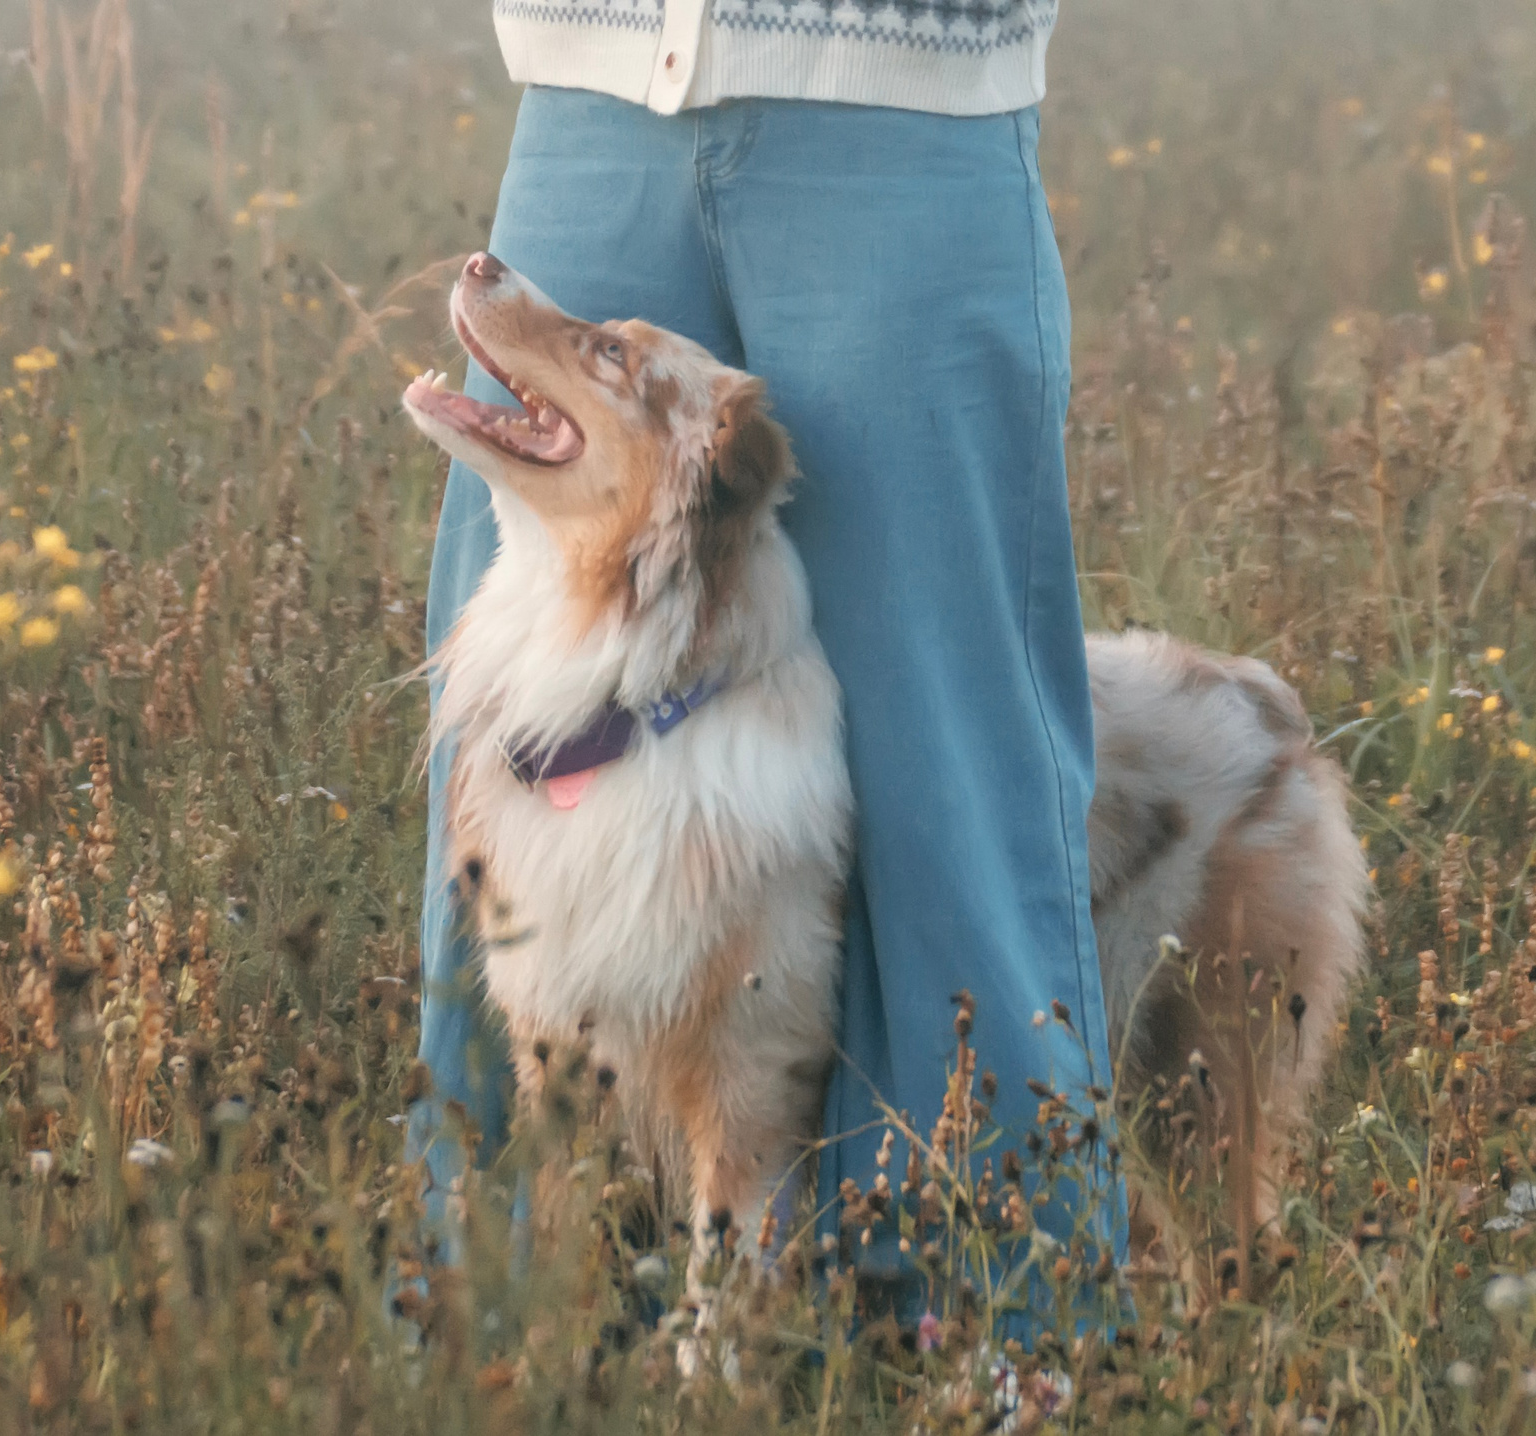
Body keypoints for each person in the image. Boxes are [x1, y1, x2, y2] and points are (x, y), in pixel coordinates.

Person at [405, 0, 1129, 1347]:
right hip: (592, 83)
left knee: (948, 768)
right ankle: (495, 1318)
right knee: (514, 751)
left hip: (905, 101)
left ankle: (1006, 1326)